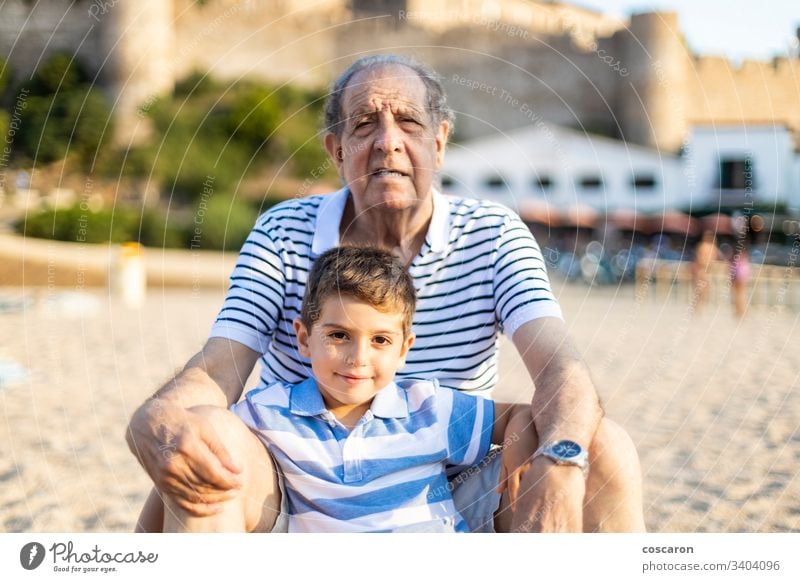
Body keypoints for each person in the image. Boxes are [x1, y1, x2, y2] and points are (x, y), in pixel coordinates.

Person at [126, 53, 645, 533]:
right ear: (337, 149)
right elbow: (221, 366)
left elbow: (560, 369)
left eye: (410, 123)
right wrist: (157, 416)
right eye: (365, 123)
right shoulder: (283, 231)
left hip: (461, 487)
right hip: (300, 480)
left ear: (438, 143)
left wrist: (561, 466)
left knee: (604, 448)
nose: (388, 141)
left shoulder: (493, 234)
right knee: (203, 442)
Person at [229, 245, 535, 532]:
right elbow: (212, 431)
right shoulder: (269, 411)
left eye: (380, 340)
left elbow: (516, 416)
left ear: (403, 349)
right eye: (339, 335)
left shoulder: (427, 406)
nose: (358, 358)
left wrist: (518, 453)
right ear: (305, 339)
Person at [692, 230, 722, 312]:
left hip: (704, 270)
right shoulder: (709, 247)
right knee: (702, 290)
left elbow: (699, 258)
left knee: (702, 291)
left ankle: (699, 308)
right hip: (704, 270)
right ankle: (699, 308)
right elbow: (702, 259)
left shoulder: (706, 246)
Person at [730, 246, 751, 318]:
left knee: (739, 296)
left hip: (739, 278)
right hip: (742, 278)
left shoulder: (737, 260)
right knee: (742, 295)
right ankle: (741, 312)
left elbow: (734, 271)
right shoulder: (745, 260)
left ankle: (740, 311)